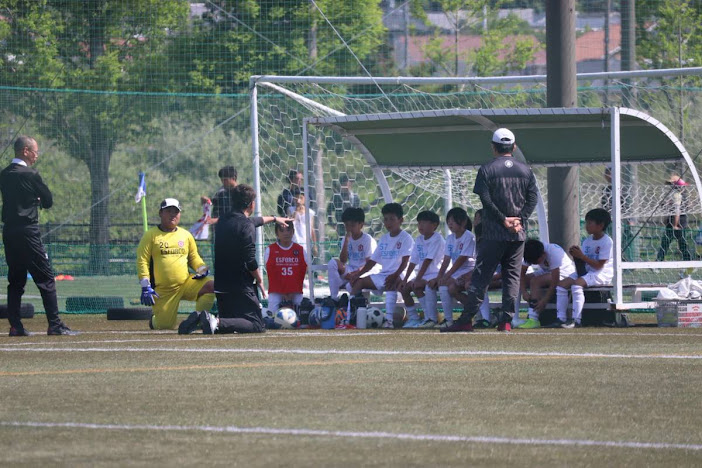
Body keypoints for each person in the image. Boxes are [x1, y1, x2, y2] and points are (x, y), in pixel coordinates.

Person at [442, 128, 538, 333]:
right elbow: (533, 199)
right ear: (514, 147)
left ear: (493, 147)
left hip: (493, 233)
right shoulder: (525, 170)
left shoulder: (487, 169)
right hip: (517, 234)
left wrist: (503, 219)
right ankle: (506, 321)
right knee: (511, 277)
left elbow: (485, 199)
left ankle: (466, 320)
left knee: (481, 277)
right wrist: (519, 219)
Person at [0, 135, 77, 336]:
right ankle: (55, 324)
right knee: (46, 278)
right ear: (25, 151)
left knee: (16, 280)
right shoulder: (31, 174)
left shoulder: (4, 174)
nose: (36, 156)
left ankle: (15, 326)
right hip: (28, 231)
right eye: (35, 152)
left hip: (9, 232)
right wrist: (38, 199)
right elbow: (48, 201)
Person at [184, 184, 267, 335]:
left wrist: (274, 219)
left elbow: (253, 221)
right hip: (240, 286)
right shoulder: (246, 225)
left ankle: (201, 321)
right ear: (251, 204)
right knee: (256, 325)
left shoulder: (223, 221)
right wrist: (259, 280)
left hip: (221, 286)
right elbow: (250, 260)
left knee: (230, 323)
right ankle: (215, 321)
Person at [136, 198, 215, 331]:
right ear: (160, 213)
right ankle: (154, 321)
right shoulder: (150, 235)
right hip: (163, 290)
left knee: (211, 286)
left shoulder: (186, 235)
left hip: (186, 283)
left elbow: (194, 257)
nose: (173, 215)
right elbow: (142, 260)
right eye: (169, 211)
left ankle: (199, 320)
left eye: (176, 212)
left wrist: (201, 268)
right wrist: (145, 285)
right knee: (164, 326)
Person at [348, 203, 413, 328]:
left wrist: (395, 275)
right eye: (386, 219)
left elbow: (405, 262)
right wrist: (358, 274)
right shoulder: (384, 239)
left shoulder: (406, 238)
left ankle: (389, 320)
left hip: (401, 274)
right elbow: (372, 262)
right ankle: (350, 316)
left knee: (391, 282)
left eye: (392, 219)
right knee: (358, 282)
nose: (388, 223)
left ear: (401, 220)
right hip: (384, 274)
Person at [547, 208, 613, 328]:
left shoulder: (606, 241)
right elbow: (584, 263)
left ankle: (576, 320)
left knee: (576, 285)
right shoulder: (587, 241)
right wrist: (576, 256)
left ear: (601, 225)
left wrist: (581, 256)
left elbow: (599, 265)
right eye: (586, 222)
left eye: (590, 223)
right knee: (561, 285)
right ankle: (561, 318)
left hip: (601, 273)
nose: (586, 226)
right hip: (588, 271)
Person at [428, 207, 476, 329]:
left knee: (447, 285)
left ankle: (474, 314)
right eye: (448, 221)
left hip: (469, 270)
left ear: (463, 222)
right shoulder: (450, 238)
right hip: (457, 271)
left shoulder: (469, 236)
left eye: (453, 221)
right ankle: (449, 320)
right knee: (446, 287)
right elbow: (446, 260)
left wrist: (447, 275)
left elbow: (462, 259)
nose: (450, 224)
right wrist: (439, 277)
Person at [518, 239, 576, 329]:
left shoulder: (554, 252)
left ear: (544, 254)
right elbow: (521, 274)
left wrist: (545, 300)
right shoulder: (529, 252)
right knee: (520, 280)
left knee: (535, 281)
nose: (535, 264)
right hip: (546, 271)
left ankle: (533, 319)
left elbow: (555, 280)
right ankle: (514, 317)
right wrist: (524, 292)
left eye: (536, 262)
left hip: (565, 273)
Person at [400, 210, 445, 329]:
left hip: (436, 274)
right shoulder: (419, 239)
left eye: (424, 222)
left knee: (418, 286)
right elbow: (413, 261)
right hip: (423, 275)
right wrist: (405, 279)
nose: (420, 225)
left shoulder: (437, 239)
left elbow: (428, 260)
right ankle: (414, 318)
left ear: (434, 225)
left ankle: (430, 318)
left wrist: (417, 279)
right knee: (404, 289)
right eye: (419, 223)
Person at [327, 207, 377, 299]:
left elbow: (369, 264)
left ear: (361, 225)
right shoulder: (345, 239)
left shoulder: (367, 240)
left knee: (349, 286)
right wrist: (346, 242)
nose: (349, 228)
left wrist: (356, 273)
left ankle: (354, 302)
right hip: (351, 270)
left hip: (365, 272)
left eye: (353, 225)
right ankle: (334, 298)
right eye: (347, 225)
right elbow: (343, 260)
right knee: (332, 263)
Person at [265, 221, 307, 314]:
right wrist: (283, 292)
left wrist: (292, 292)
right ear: (276, 233)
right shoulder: (270, 250)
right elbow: (272, 274)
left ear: (293, 231)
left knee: (301, 315)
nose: (286, 233)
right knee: (272, 316)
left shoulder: (300, 250)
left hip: (295, 292)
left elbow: (302, 273)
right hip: (276, 292)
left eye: (288, 230)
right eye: (282, 230)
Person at [657, 174, 692, 262]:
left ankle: (688, 261)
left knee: (670, 244)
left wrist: (675, 225)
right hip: (679, 223)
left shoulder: (677, 195)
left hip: (677, 224)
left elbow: (677, 211)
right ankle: (688, 261)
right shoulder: (681, 195)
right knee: (676, 244)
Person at [327, 173, 361, 238]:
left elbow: (359, 211)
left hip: (354, 226)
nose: (348, 185)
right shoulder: (336, 197)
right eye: (345, 184)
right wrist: (331, 223)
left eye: (349, 183)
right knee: (343, 241)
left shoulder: (355, 197)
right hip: (341, 226)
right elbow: (329, 210)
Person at [289, 188, 317, 257]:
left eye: (301, 197)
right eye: (296, 197)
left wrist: (315, 245)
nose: (298, 200)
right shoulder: (290, 210)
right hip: (294, 240)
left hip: (305, 241)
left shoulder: (310, 212)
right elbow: (290, 222)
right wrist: (296, 210)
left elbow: (312, 229)